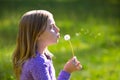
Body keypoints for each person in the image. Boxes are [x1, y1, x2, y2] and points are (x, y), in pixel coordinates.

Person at [12, 10, 82, 80]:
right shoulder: (37, 63)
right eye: (51, 27)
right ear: (38, 34)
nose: (57, 29)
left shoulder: (43, 56)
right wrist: (67, 71)